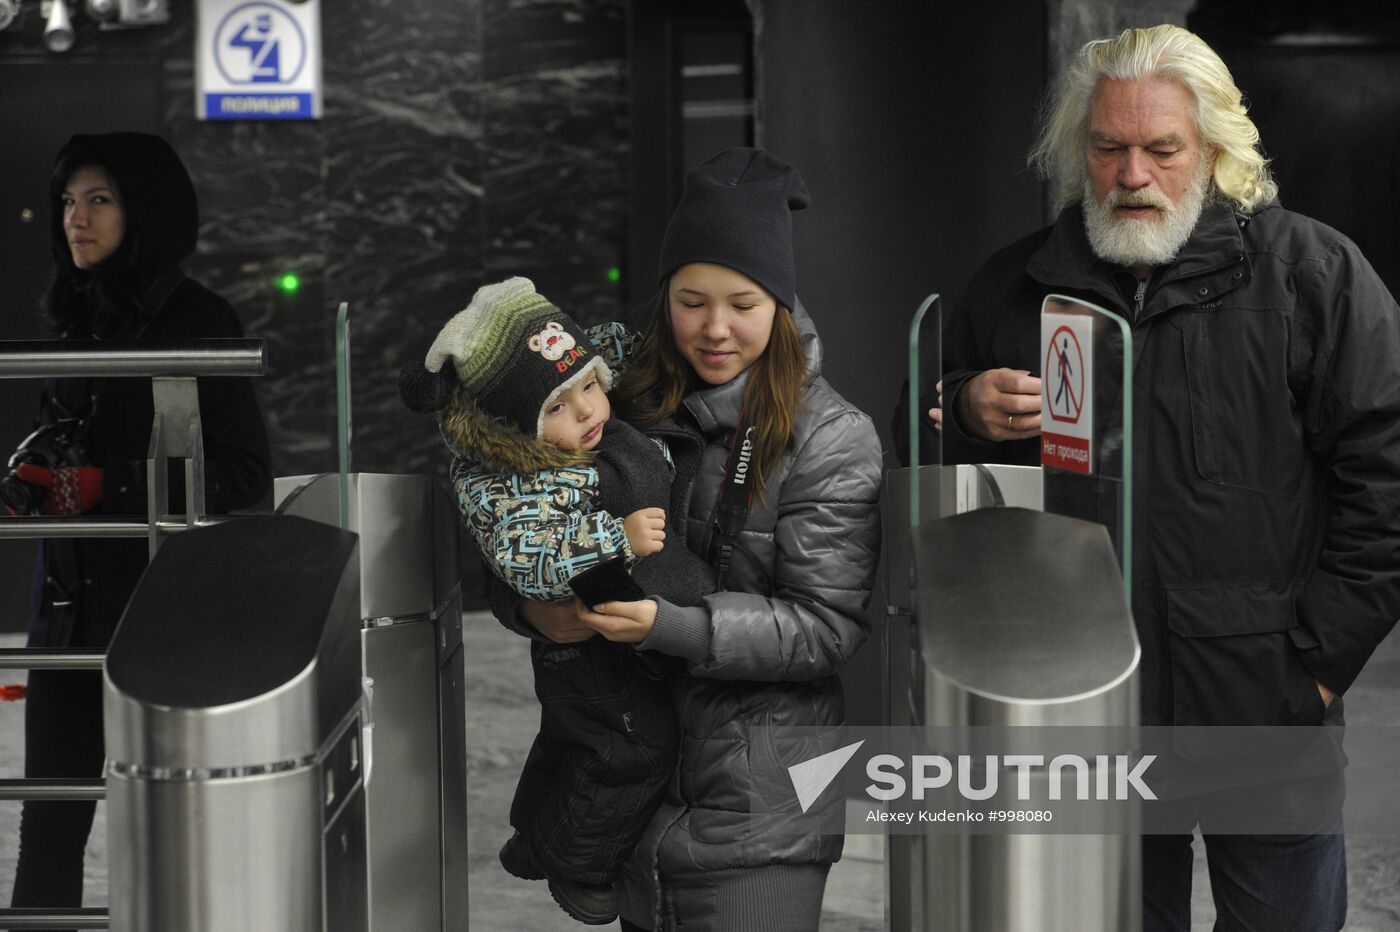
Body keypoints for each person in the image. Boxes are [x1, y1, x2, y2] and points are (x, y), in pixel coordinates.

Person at [937, 25, 1400, 931]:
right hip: (1084, 718)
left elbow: (1388, 475)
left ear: (1218, 151)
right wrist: (958, 410)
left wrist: (1316, 666)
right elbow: (930, 477)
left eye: (1161, 149)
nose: (1132, 174)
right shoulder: (1013, 287)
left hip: (1265, 712)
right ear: (1081, 151)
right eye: (1109, 147)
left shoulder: (1315, 276)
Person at [485, 148, 883, 932]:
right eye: (691, 300)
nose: (715, 328)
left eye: (742, 302)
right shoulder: (612, 402)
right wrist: (537, 612)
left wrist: (672, 627)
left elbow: (826, 629)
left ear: (780, 301)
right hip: (636, 793)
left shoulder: (832, 437)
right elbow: (521, 532)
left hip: (760, 810)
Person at [2, 133, 271, 925]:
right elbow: (68, 441)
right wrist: (38, 476)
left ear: (145, 210)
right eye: (67, 201)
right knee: (48, 824)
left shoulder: (198, 318)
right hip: (65, 617)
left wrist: (111, 486)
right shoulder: (76, 316)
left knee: (172, 831)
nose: (74, 219)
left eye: (99, 199)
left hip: (160, 626)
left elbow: (245, 476)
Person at [399, 276, 714, 925]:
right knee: (631, 749)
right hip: (586, 649)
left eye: (592, 387)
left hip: (626, 631)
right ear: (518, 425)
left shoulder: (587, 426)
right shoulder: (507, 478)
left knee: (583, 742)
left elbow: (609, 350)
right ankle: (570, 860)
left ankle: (533, 831)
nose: (591, 411)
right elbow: (527, 558)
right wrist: (613, 537)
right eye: (562, 407)